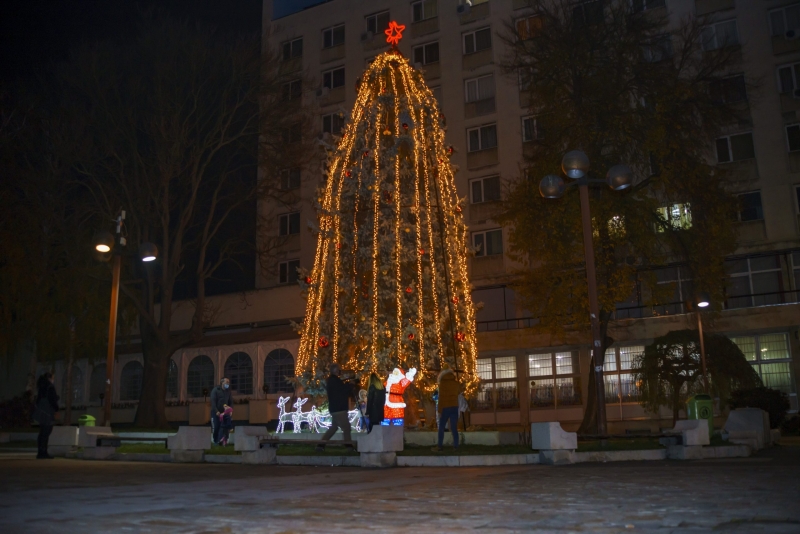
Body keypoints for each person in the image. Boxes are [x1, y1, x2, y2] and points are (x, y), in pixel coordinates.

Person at [316, 363, 355, 451]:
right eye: (339, 369)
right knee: (346, 427)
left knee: (334, 427)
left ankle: (320, 445)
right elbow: (342, 390)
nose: (340, 371)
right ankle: (348, 446)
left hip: (335, 408)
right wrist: (351, 385)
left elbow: (340, 389)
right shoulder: (335, 381)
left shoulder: (332, 381)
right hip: (339, 409)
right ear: (336, 371)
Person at [433, 364, 460, 452]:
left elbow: (441, 398)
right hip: (454, 406)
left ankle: (440, 446)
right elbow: (459, 392)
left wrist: (439, 410)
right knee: (454, 427)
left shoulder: (442, 384)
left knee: (441, 427)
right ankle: (456, 446)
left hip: (445, 407)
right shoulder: (456, 383)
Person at [33, 372, 59, 459]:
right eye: (53, 378)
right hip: (48, 412)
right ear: (50, 378)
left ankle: (40, 452)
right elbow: (52, 400)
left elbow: (38, 399)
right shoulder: (50, 387)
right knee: (46, 432)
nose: (53, 380)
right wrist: (56, 409)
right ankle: (43, 452)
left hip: (42, 412)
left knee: (42, 432)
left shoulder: (42, 386)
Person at [210, 377, 233, 445]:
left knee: (224, 427)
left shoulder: (228, 391)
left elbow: (231, 402)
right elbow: (213, 402)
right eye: (226, 382)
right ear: (222, 382)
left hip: (225, 413)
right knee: (217, 426)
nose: (228, 383)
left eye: (228, 382)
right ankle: (216, 441)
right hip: (216, 412)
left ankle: (223, 441)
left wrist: (230, 410)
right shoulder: (215, 390)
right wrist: (216, 411)